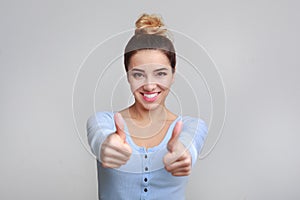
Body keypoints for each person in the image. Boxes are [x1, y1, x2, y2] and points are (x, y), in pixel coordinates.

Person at [87, 13, 208, 200]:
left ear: (173, 74)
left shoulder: (192, 126)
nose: (150, 85)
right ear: (127, 75)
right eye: (138, 75)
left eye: (160, 74)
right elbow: (99, 137)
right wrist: (106, 147)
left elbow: (190, 145)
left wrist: (184, 153)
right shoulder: (104, 122)